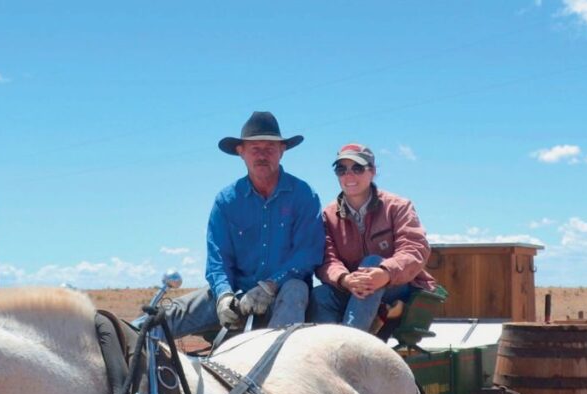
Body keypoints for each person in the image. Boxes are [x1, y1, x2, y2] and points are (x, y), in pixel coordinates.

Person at [161, 111, 324, 338]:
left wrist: (270, 285)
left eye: (269, 148)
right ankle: (123, 345)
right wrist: (224, 295)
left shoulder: (304, 195)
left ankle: (278, 359)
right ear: (241, 152)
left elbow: (307, 255)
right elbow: (218, 260)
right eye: (255, 149)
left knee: (296, 289)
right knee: (170, 314)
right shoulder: (226, 201)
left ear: (282, 151)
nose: (262, 156)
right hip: (239, 293)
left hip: (285, 294)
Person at [308, 143, 436, 331]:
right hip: (352, 289)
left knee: (373, 263)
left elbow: (415, 249)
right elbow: (327, 259)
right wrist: (345, 279)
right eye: (341, 169)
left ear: (373, 171)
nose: (349, 175)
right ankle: (327, 350)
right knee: (319, 296)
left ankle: (350, 345)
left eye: (357, 168)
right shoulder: (328, 215)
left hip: (400, 288)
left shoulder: (398, 206)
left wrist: (385, 273)